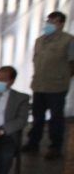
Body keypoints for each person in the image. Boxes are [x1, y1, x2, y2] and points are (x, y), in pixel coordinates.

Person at [22, 11, 74, 160]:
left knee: (56, 118)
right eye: (48, 21)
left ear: (61, 24)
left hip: (57, 86)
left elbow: (72, 64)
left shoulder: (68, 41)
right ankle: (33, 143)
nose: (49, 24)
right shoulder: (40, 41)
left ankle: (55, 147)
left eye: (53, 22)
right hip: (39, 85)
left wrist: (63, 78)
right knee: (38, 116)